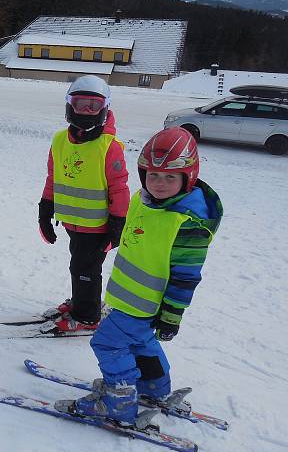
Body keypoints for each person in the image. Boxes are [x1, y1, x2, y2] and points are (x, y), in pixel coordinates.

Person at [56, 127, 223, 425]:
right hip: (127, 298)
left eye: (170, 177)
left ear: (189, 177)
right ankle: (154, 388)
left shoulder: (188, 224)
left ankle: (118, 403)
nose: (159, 184)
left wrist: (172, 316)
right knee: (141, 343)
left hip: (145, 304)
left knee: (107, 343)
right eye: (153, 175)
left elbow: (185, 277)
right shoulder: (144, 200)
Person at [38, 75, 129, 332]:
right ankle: (81, 302)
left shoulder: (109, 147)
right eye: (81, 104)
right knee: (78, 266)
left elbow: (119, 188)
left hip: (98, 227)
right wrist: (45, 210)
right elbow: (53, 178)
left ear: (105, 109)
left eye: (94, 106)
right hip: (73, 223)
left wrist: (118, 224)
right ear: (69, 106)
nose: (87, 111)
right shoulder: (59, 140)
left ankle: (88, 317)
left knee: (85, 268)